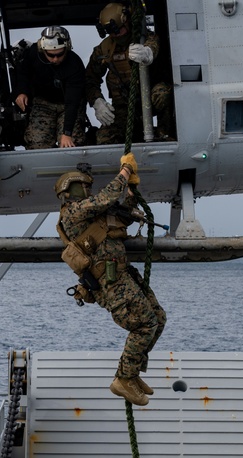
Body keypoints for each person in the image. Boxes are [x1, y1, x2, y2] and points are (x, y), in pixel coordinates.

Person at [54, 158, 167, 406]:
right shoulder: (73, 213)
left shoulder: (90, 214)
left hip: (123, 274)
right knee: (143, 325)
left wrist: (130, 195)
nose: (87, 192)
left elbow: (119, 218)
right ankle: (123, 379)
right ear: (71, 190)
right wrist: (125, 172)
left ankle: (132, 373)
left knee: (158, 318)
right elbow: (106, 198)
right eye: (83, 188)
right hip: (111, 283)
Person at [84, 2, 174, 144]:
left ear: (127, 23)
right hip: (124, 106)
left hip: (149, 99)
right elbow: (89, 79)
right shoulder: (104, 49)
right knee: (104, 138)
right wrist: (97, 101)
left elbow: (153, 45)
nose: (116, 34)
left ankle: (164, 133)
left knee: (162, 93)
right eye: (112, 32)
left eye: (119, 30)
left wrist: (147, 53)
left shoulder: (144, 38)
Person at [14, 26, 88, 149]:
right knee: (37, 144)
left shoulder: (75, 64)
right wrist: (22, 92)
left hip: (68, 105)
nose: (55, 59)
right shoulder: (33, 54)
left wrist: (67, 133)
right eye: (50, 55)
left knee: (70, 143)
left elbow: (72, 102)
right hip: (43, 103)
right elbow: (22, 73)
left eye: (59, 55)